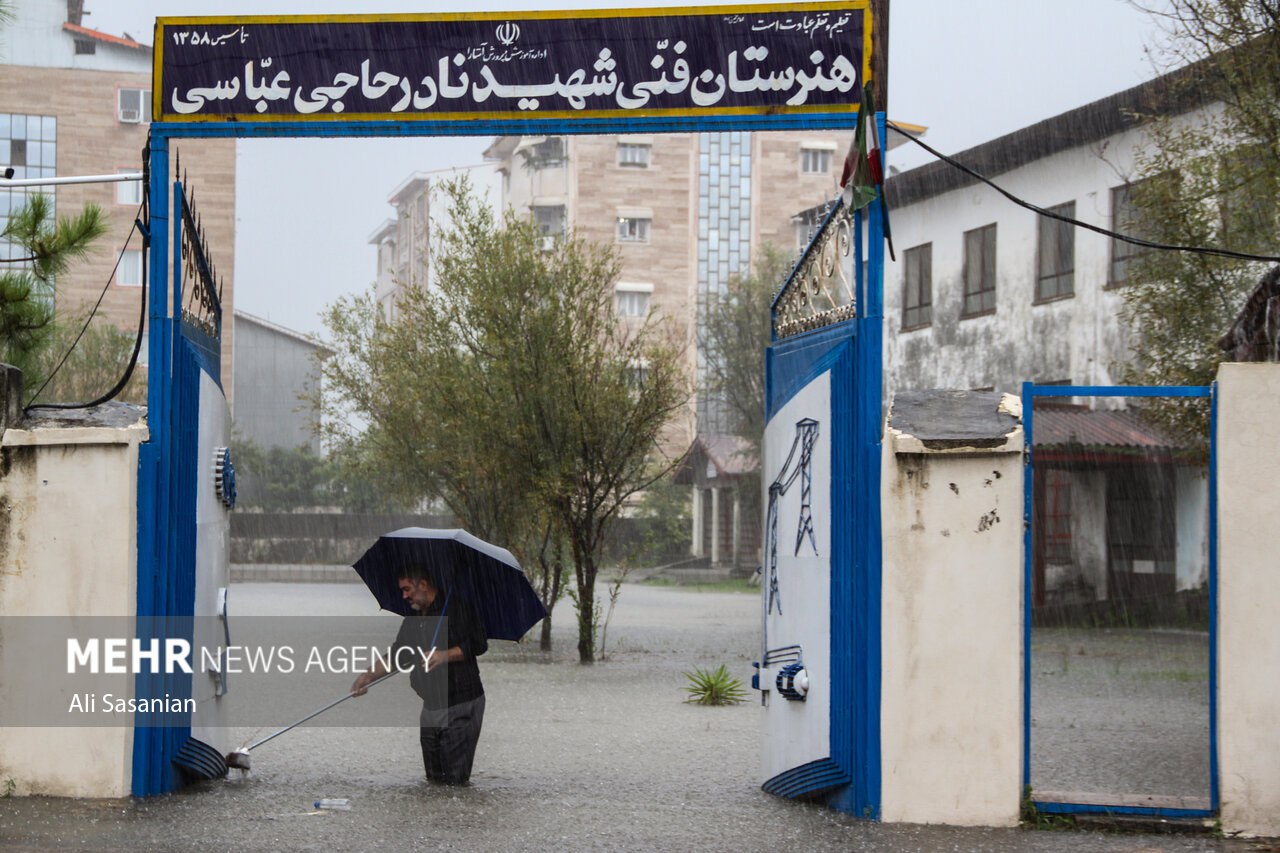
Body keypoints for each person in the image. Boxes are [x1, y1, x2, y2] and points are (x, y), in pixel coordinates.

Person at [351, 563, 488, 786]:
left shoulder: (457, 608)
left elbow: (479, 644)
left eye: (407, 589)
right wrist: (367, 677)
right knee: (433, 782)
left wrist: (444, 655)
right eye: (402, 591)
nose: (404, 596)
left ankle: (456, 820)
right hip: (430, 706)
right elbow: (398, 655)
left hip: (462, 702)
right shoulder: (412, 621)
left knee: (454, 782)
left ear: (423, 584)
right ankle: (435, 821)